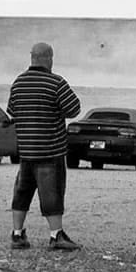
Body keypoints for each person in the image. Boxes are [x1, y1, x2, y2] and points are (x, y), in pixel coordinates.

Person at [7, 41, 83, 251]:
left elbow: (12, 110)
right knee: (52, 193)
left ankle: (17, 234)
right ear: (49, 59)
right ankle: (56, 235)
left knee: (22, 192)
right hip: (50, 150)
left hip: (26, 151)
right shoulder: (56, 83)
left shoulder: (18, 83)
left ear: (32, 58)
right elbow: (74, 109)